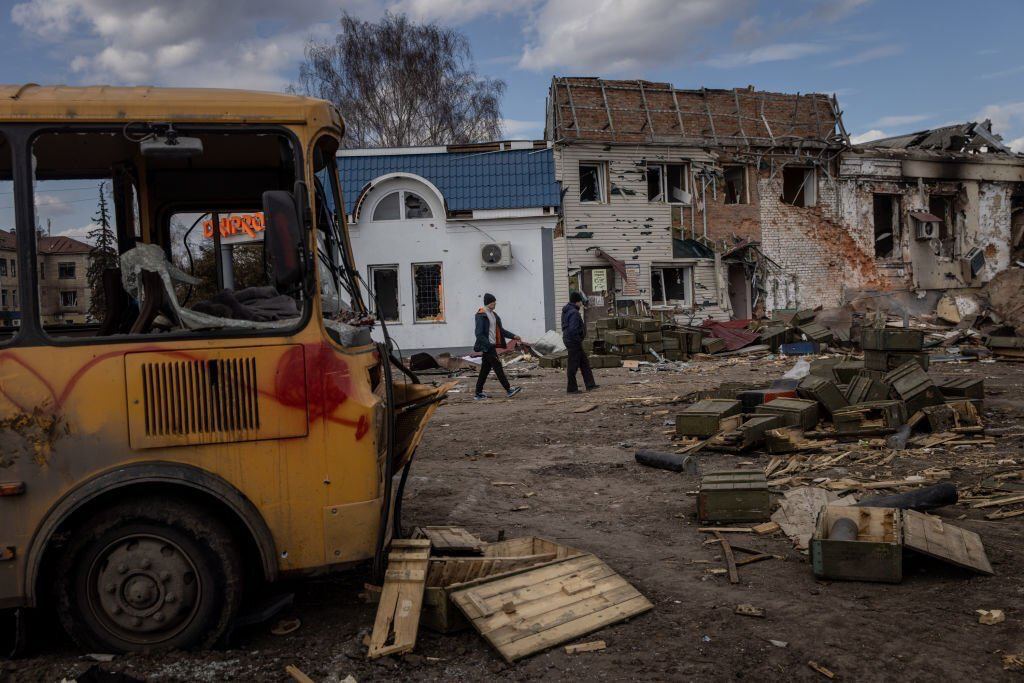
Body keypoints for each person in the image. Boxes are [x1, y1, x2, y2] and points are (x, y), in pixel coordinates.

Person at [474, 293, 523, 400]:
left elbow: (501, 331)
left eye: (495, 302)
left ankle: (478, 392)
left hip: (490, 346)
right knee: (498, 367)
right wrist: (488, 344)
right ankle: (509, 389)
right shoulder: (481, 315)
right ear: (488, 303)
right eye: (493, 302)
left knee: (485, 370)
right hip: (488, 346)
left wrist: (514, 336)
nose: (495, 303)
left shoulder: (494, 315)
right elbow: (479, 334)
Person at [561, 291, 597, 394]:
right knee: (573, 365)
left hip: (570, 340)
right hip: (573, 341)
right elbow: (573, 329)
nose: (581, 303)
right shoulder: (574, 312)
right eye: (581, 301)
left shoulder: (566, 310)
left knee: (584, 362)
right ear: (577, 301)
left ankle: (590, 384)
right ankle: (572, 388)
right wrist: (578, 339)